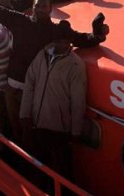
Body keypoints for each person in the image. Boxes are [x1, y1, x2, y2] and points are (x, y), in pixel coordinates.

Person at [0, 0, 109, 141]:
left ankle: (26, 159)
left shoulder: (55, 31)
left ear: (50, 9)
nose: (40, 9)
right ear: (32, 6)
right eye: (37, 5)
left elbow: (81, 39)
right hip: (12, 86)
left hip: (34, 90)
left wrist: (98, 35)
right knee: (13, 126)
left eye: (44, 6)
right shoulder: (20, 20)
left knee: (29, 131)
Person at [19, 20, 87, 182]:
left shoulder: (75, 65)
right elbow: (30, 84)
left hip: (59, 130)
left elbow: (78, 101)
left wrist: (76, 131)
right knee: (35, 167)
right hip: (36, 124)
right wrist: (24, 114)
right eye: (58, 40)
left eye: (64, 41)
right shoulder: (41, 55)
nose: (61, 44)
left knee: (60, 172)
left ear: (69, 42)